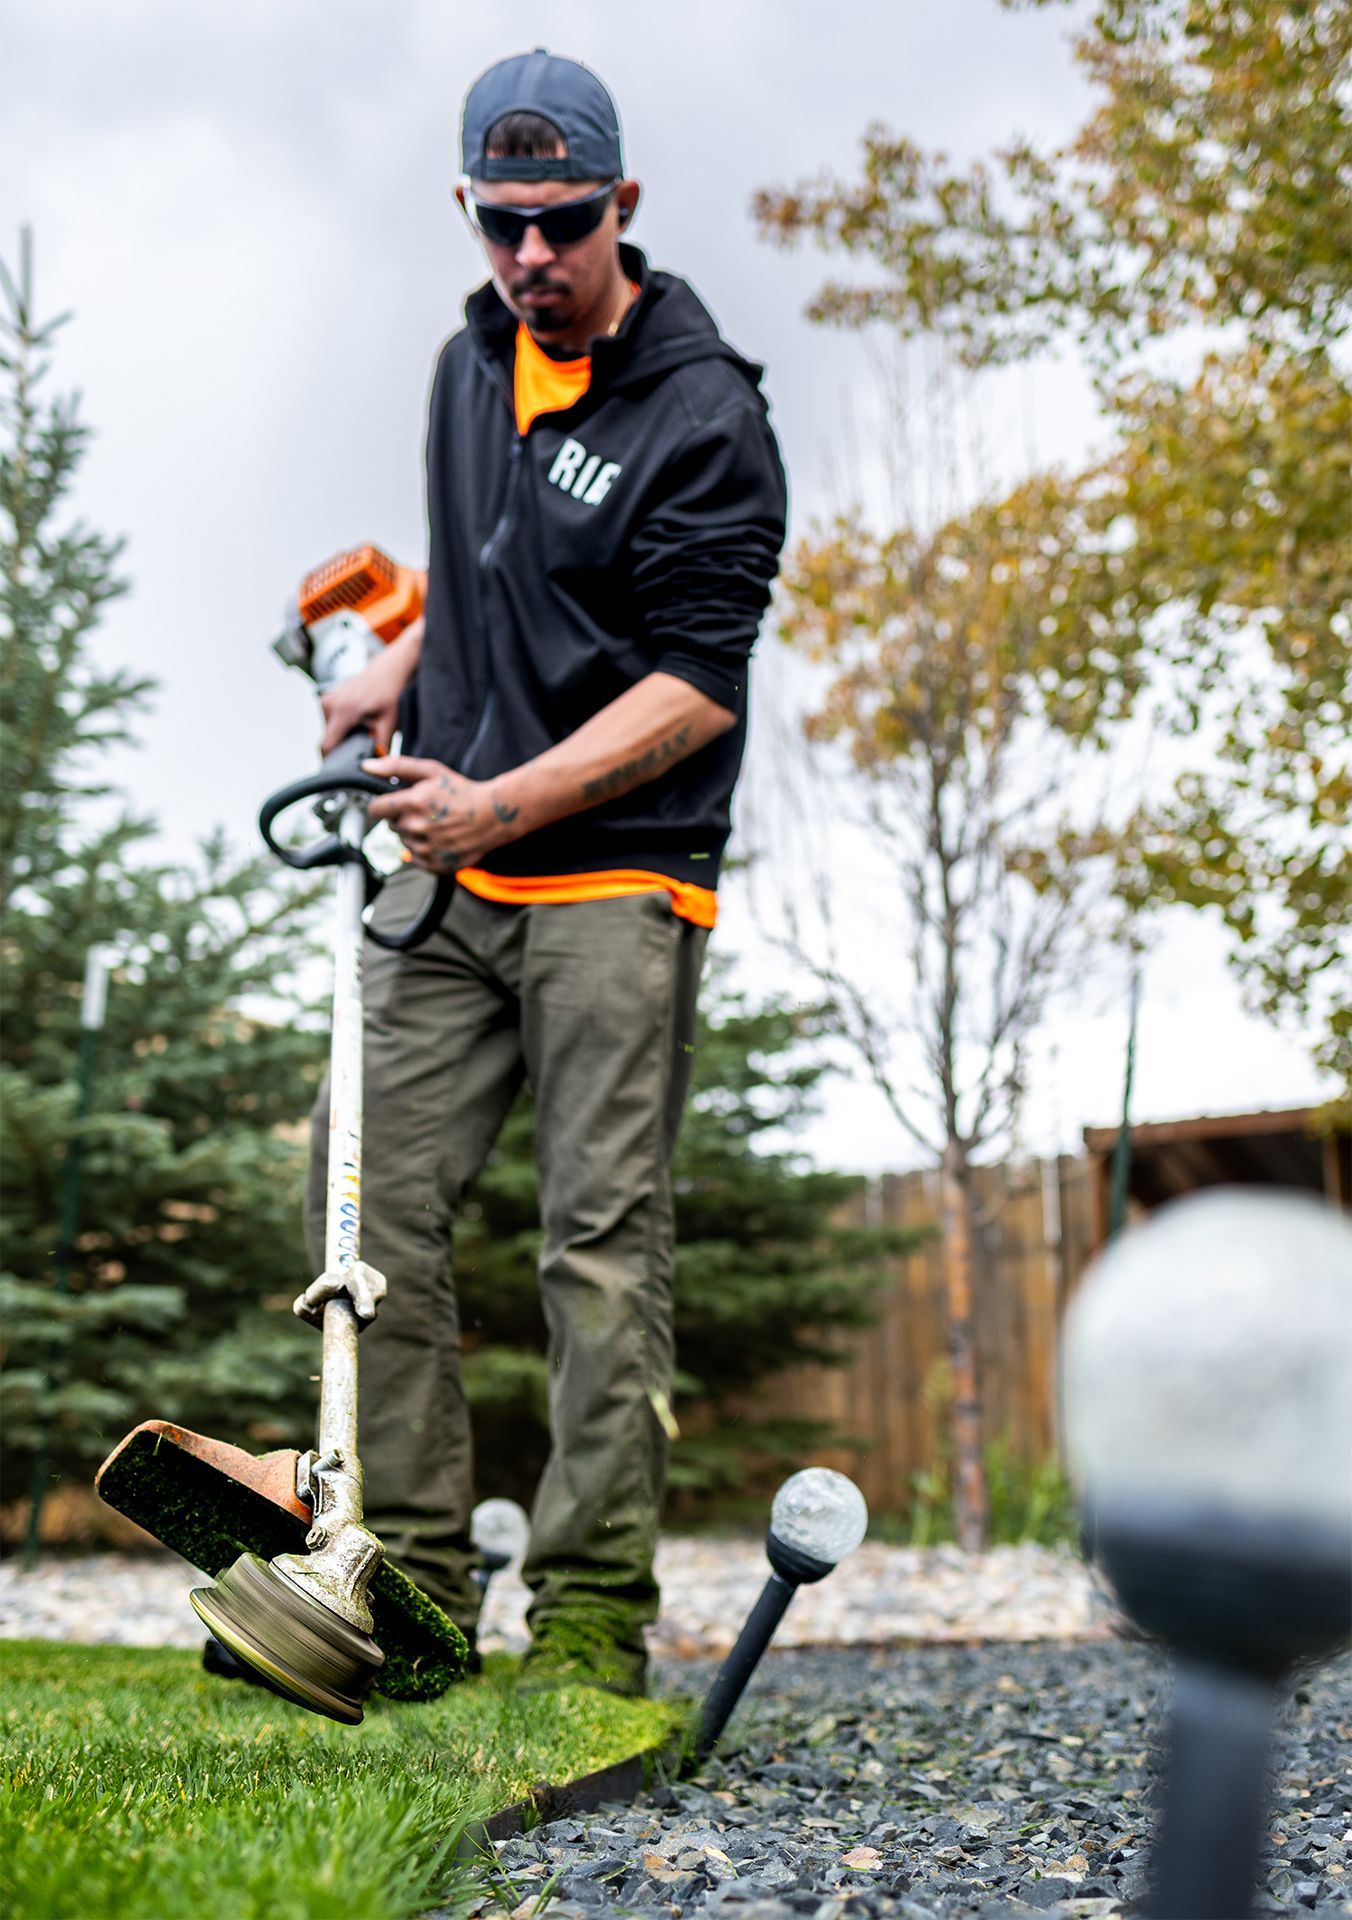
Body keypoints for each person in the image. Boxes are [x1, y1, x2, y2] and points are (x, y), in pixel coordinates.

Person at [310, 47, 787, 1697]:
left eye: (562, 224)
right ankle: (412, 1591)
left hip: (608, 881)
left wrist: (502, 803)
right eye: (502, 224)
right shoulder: (472, 357)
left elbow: (694, 682)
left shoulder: (706, 413)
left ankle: (589, 1622)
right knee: (363, 1205)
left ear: (622, 209)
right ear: (473, 211)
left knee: (597, 1241)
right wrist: (403, 661)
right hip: (450, 869)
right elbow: (502, 553)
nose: (530, 258)